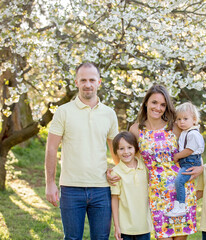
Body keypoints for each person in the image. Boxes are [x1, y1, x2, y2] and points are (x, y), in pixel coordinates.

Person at [45, 62, 119, 240]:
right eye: (83, 80)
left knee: (101, 238)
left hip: (101, 189)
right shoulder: (63, 112)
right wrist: (50, 183)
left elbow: (115, 151)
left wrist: (119, 176)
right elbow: (51, 148)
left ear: (99, 82)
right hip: (71, 188)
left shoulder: (109, 114)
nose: (88, 84)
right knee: (72, 238)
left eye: (92, 80)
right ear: (76, 82)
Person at [126, 84, 203, 240]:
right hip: (157, 192)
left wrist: (201, 167)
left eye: (163, 104)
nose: (158, 108)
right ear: (146, 102)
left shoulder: (175, 126)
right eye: (154, 102)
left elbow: (195, 148)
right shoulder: (135, 130)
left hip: (181, 191)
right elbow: (129, 158)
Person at [110, 131, 153, 240]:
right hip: (125, 229)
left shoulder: (145, 167)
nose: (126, 152)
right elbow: (114, 199)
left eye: (129, 147)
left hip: (144, 226)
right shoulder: (116, 172)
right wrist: (117, 226)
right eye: (121, 149)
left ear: (135, 149)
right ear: (116, 151)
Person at [165, 102, 204, 217]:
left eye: (185, 119)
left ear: (194, 119)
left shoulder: (193, 134)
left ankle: (181, 205)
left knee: (179, 181)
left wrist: (177, 156)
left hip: (190, 161)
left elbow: (189, 150)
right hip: (187, 161)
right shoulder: (185, 132)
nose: (181, 122)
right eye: (179, 119)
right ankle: (179, 204)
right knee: (180, 181)